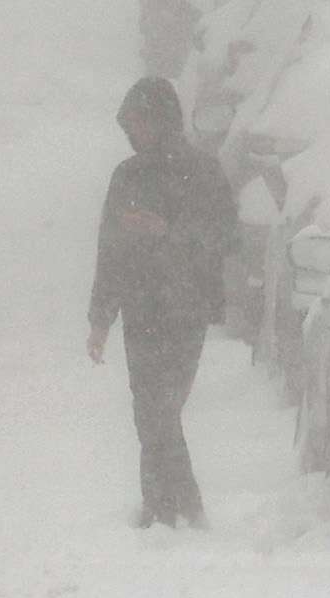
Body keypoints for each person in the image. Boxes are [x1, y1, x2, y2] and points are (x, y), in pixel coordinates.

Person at [88, 74, 232, 528]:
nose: (135, 132)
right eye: (129, 124)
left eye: (141, 122)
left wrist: (166, 234)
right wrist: (100, 317)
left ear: (163, 120)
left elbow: (223, 238)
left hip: (185, 310)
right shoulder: (126, 176)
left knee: (163, 409)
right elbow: (109, 249)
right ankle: (167, 508)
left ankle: (175, 507)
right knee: (147, 410)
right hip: (140, 308)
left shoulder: (203, 174)